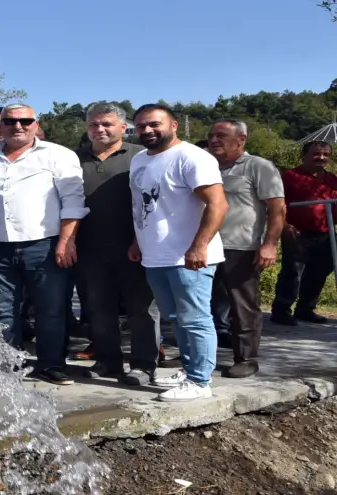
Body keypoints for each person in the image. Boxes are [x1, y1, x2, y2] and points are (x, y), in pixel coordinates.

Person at [0, 104, 87, 386]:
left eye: (25, 121)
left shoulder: (58, 155)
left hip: (44, 245)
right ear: (0, 125)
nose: (17, 126)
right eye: (10, 121)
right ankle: (7, 364)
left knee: (51, 309)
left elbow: (73, 202)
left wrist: (67, 241)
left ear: (36, 124)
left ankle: (51, 365)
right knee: (0, 309)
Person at [129, 104, 228, 402]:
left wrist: (199, 245)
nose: (147, 130)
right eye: (141, 126)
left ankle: (199, 380)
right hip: (155, 254)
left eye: (154, 124)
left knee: (194, 318)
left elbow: (218, 204)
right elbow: (143, 207)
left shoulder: (192, 157)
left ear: (173, 125)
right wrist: (138, 241)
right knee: (176, 318)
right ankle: (189, 370)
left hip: (188, 256)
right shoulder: (139, 159)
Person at [75, 103, 160, 385]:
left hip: (135, 248)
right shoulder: (72, 159)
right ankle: (108, 361)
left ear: (124, 128)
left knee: (142, 309)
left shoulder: (143, 156)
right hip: (89, 248)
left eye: (106, 124)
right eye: (93, 125)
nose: (99, 129)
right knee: (99, 308)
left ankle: (144, 365)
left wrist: (140, 241)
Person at [207, 119, 285, 378]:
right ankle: (196, 355)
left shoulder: (258, 166)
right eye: (211, 136)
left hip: (240, 247)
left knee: (242, 307)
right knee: (198, 304)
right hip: (205, 245)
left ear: (241, 139)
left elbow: (277, 208)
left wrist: (270, 244)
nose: (214, 140)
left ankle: (247, 358)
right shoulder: (206, 166)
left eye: (221, 135)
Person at [271, 141, 337, 326]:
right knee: (292, 271)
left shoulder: (332, 179)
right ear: (304, 155)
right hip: (296, 232)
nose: (321, 158)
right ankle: (282, 309)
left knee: (320, 271)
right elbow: (277, 204)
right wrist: (284, 226)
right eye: (317, 154)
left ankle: (306, 309)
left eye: (325, 154)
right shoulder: (290, 176)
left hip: (324, 233)